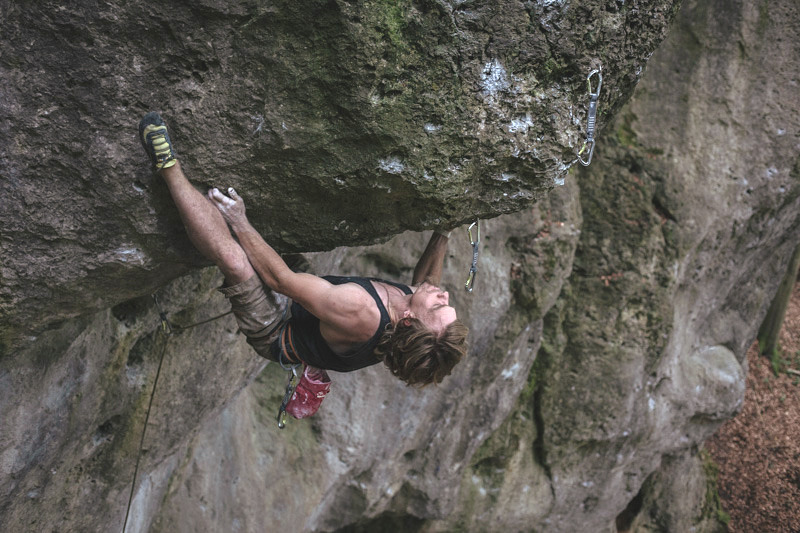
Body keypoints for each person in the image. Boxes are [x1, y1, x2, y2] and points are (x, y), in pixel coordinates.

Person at [139, 112, 469, 388]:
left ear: (409, 323)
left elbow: (279, 281)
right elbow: (427, 283)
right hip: (313, 303)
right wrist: (445, 230)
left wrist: (239, 221)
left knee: (237, 261)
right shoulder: (415, 308)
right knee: (274, 239)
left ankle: (168, 168)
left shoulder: (360, 311)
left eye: (440, 308)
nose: (445, 296)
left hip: (277, 327)